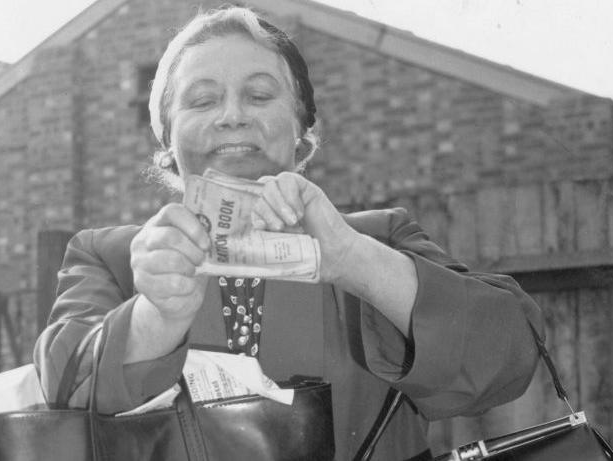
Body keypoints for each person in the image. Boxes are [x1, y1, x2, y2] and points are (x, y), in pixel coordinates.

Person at [34, 6, 544, 460]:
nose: (232, 116)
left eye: (259, 94)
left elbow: (511, 357)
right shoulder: (111, 257)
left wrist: (350, 260)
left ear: (302, 135)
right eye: (202, 100)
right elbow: (62, 387)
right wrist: (154, 316)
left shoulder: (379, 241)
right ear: (167, 139)